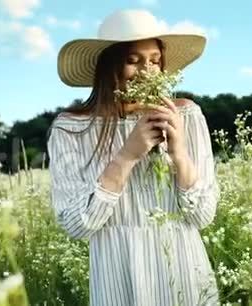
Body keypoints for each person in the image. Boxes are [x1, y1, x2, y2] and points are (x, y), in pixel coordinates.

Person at [46, 9, 221, 306]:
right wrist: (127, 155)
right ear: (107, 65)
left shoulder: (186, 115)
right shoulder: (70, 128)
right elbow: (77, 225)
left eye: (155, 61)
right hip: (118, 274)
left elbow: (203, 215)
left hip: (184, 272)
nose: (147, 71)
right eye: (132, 60)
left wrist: (178, 152)